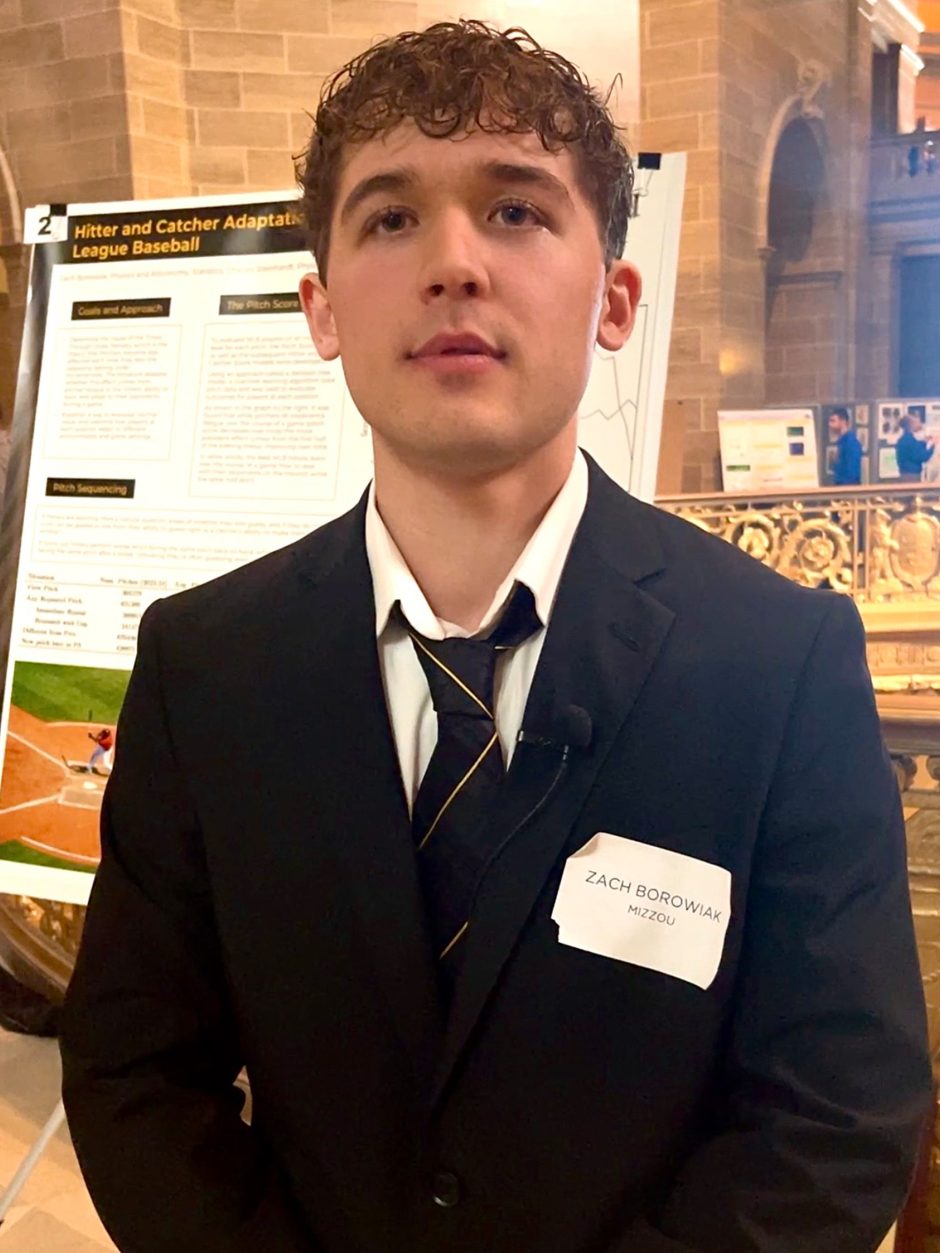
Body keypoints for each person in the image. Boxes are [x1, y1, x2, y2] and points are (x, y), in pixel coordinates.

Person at [59, 20, 931, 1253]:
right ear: (318, 307)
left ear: (615, 297)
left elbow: (836, 1113)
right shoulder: (207, 667)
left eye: (516, 212)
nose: (453, 262)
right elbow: (135, 1071)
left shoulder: (775, 661)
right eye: (389, 218)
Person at [895, 410, 935, 482]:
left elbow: (916, 448)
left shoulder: (905, 439)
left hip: (907, 475)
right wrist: (932, 445)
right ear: (911, 424)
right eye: (918, 422)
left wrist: (925, 443)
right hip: (911, 477)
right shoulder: (909, 440)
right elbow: (923, 456)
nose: (920, 424)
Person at [827, 406, 862, 485]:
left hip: (848, 491)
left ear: (843, 422)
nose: (830, 425)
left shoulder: (851, 443)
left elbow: (852, 473)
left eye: (833, 421)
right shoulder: (841, 443)